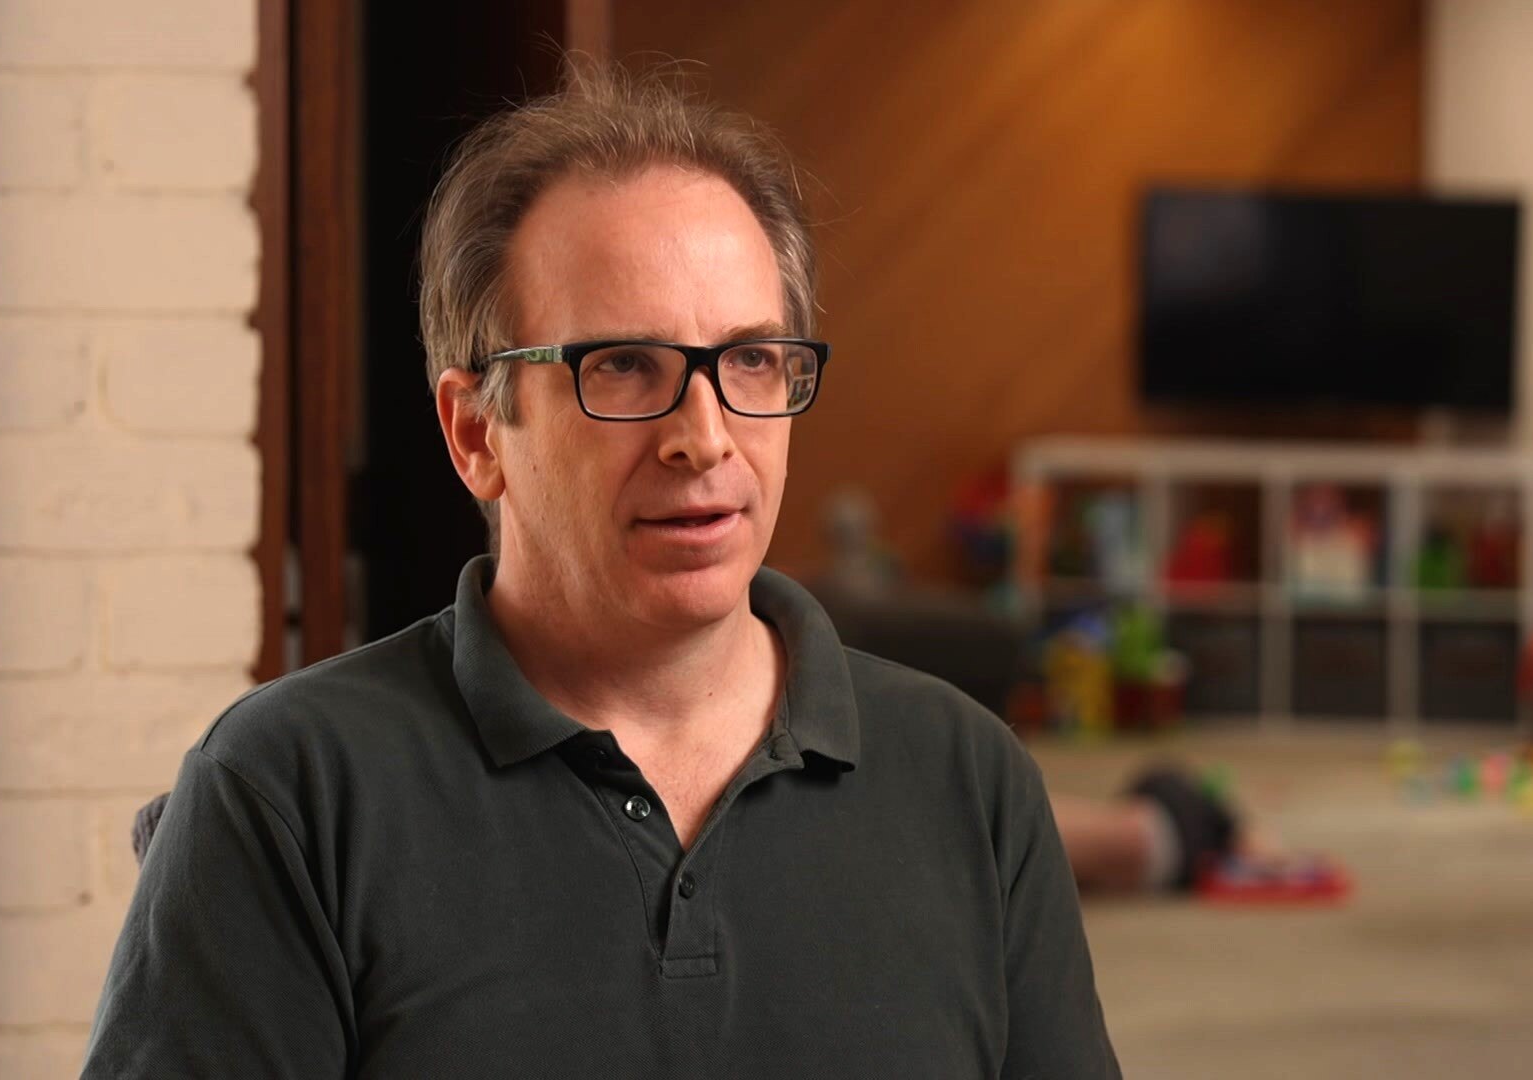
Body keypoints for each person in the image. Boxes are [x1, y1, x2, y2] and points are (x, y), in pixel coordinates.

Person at [82, 65, 1120, 1078]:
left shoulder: (968, 776)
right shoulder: (290, 787)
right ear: (476, 430)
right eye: (624, 365)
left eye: (751, 360)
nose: (704, 438)